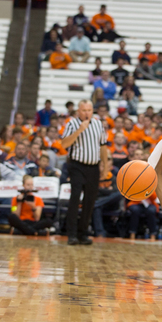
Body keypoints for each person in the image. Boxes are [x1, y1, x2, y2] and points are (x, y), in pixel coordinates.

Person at [61, 100, 108, 245]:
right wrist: (79, 130)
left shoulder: (98, 124)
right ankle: (72, 234)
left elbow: (103, 146)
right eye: (84, 110)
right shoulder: (72, 124)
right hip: (77, 166)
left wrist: (105, 165)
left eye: (89, 110)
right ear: (78, 111)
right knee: (75, 198)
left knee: (90, 201)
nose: (87, 113)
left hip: (93, 167)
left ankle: (82, 233)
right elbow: (64, 144)